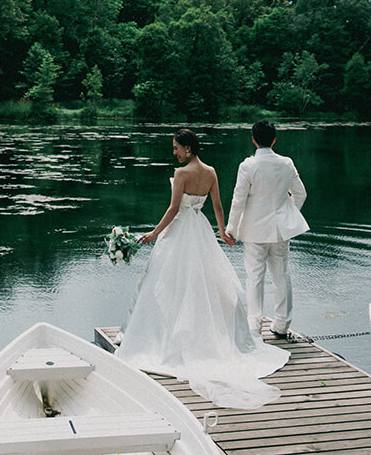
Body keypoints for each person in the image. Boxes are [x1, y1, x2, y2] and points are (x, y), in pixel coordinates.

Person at [116, 129, 288, 409]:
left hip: (180, 229)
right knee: (203, 281)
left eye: (176, 148)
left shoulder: (182, 174)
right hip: (200, 230)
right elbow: (217, 206)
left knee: (167, 281)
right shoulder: (210, 172)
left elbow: (173, 209)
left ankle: (166, 335)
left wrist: (154, 234)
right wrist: (222, 232)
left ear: (187, 149)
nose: (174, 153)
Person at [224, 120, 309, 340]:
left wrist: (230, 229)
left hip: (254, 230)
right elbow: (300, 194)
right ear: (274, 139)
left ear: (253, 139)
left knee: (254, 277)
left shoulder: (248, 166)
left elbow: (238, 200)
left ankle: (254, 326)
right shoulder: (287, 163)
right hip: (280, 230)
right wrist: (288, 215)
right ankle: (281, 325)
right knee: (282, 276)